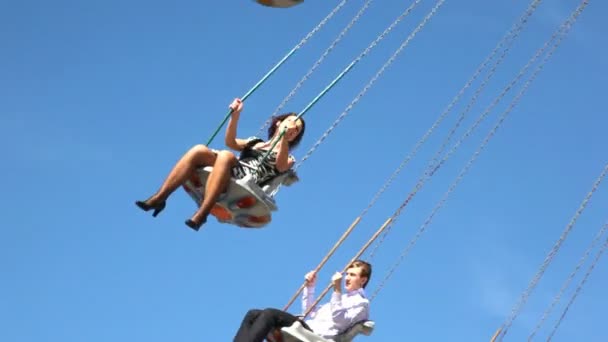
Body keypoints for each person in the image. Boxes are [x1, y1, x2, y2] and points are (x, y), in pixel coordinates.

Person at [135, 98, 306, 230]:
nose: (293, 129)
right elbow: (230, 142)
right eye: (291, 122)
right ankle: (160, 198)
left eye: (296, 130)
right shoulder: (255, 142)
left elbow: (282, 165)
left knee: (225, 156)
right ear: (279, 122)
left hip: (248, 179)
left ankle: (202, 213)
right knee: (198, 150)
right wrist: (235, 116)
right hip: (232, 168)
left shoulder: (287, 156)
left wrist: (283, 138)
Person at [233, 260, 372, 342]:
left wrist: (336, 290)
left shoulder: (361, 303)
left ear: (363, 280)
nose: (347, 278)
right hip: (308, 326)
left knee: (270, 314)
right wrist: (310, 287)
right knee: (253, 314)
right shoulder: (341, 298)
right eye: (347, 274)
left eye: (352, 275)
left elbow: (339, 320)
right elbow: (310, 312)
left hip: (316, 335)